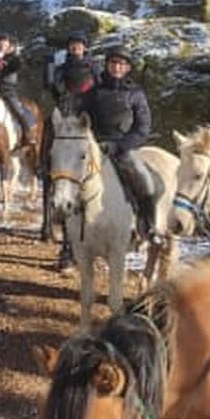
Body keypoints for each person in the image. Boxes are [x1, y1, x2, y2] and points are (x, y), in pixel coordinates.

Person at [82, 44, 158, 242]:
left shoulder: (136, 94)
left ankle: (148, 227)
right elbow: (81, 119)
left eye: (122, 64)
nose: (117, 67)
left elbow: (143, 128)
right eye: (114, 63)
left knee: (146, 183)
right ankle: (67, 241)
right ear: (107, 65)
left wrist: (120, 146)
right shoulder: (93, 91)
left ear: (128, 68)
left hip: (122, 148)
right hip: (94, 147)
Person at [42, 30, 101, 271]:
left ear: (85, 47)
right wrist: (47, 66)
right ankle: (43, 165)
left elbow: (100, 89)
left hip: (87, 118)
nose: (76, 47)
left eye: (79, 44)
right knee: (47, 133)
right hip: (65, 117)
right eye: (72, 44)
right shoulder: (60, 67)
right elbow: (51, 87)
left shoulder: (94, 66)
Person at [0, 33, 38, 145]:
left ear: (9, 46)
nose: (1, 47)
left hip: (7, 90)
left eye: (4, 45)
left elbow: (17, 66)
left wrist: (13, 56)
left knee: (16, 109)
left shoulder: (13, 58)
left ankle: (27, 133)